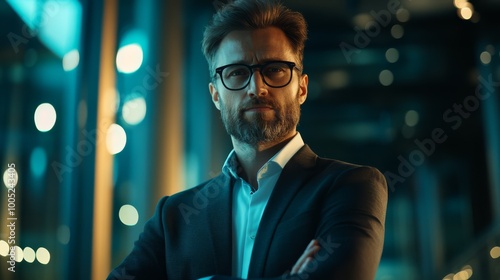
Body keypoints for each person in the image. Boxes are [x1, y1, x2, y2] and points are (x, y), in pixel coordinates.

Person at [108, 0, 388, 279]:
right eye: (237, 73)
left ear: (301, 87)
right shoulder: (174, 216)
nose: (257, 88)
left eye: (274, 69)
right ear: (216, 95)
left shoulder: (352, 188)